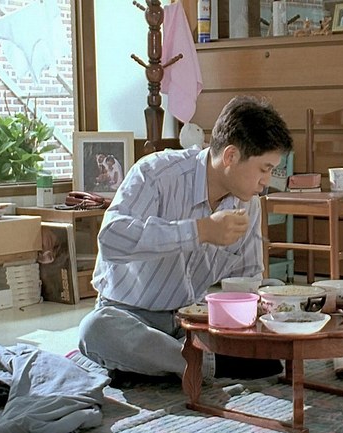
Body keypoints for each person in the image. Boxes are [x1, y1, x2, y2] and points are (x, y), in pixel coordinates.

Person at [78, 96, 293, 384]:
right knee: (96, 330)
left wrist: (270, 303)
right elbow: (111, 240)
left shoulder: (248, 203)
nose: (266, 182)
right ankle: (208, 364)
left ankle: (167, 364)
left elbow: (248, 277)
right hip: (128, 314)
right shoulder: (155, 173)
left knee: (276, 290)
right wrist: (200, 231)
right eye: (264, 169)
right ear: (230, 156)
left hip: (193, 319)